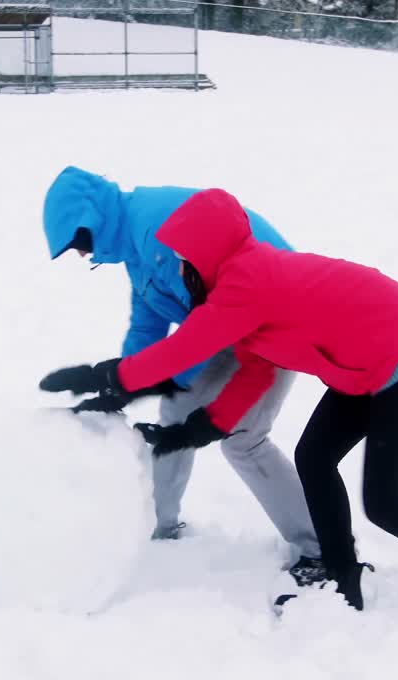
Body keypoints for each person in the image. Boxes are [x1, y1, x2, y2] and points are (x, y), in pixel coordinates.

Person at [40, 188, 398, 634]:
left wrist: (105, 376)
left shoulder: (245, 283)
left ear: (205, 256)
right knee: (315, 457)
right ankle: (342, 575)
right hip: (365, 365)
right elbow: (253, 372)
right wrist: (198, 430)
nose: (181, 273)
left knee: (385, 502)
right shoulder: (236, 287)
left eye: (185, 263)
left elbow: (183, 349)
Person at [39, 166, 323, 572]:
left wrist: (131, 379)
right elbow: (149, 322)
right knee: (176, 412)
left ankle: (320, 547)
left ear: (91, 219)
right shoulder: (136, 242)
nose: (82, 254)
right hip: (229, 327)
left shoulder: (157, 232)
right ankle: (159, 526)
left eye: (78, 243)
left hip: (276, 324)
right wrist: (122, 388)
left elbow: (205, 329)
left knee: (245, 439)